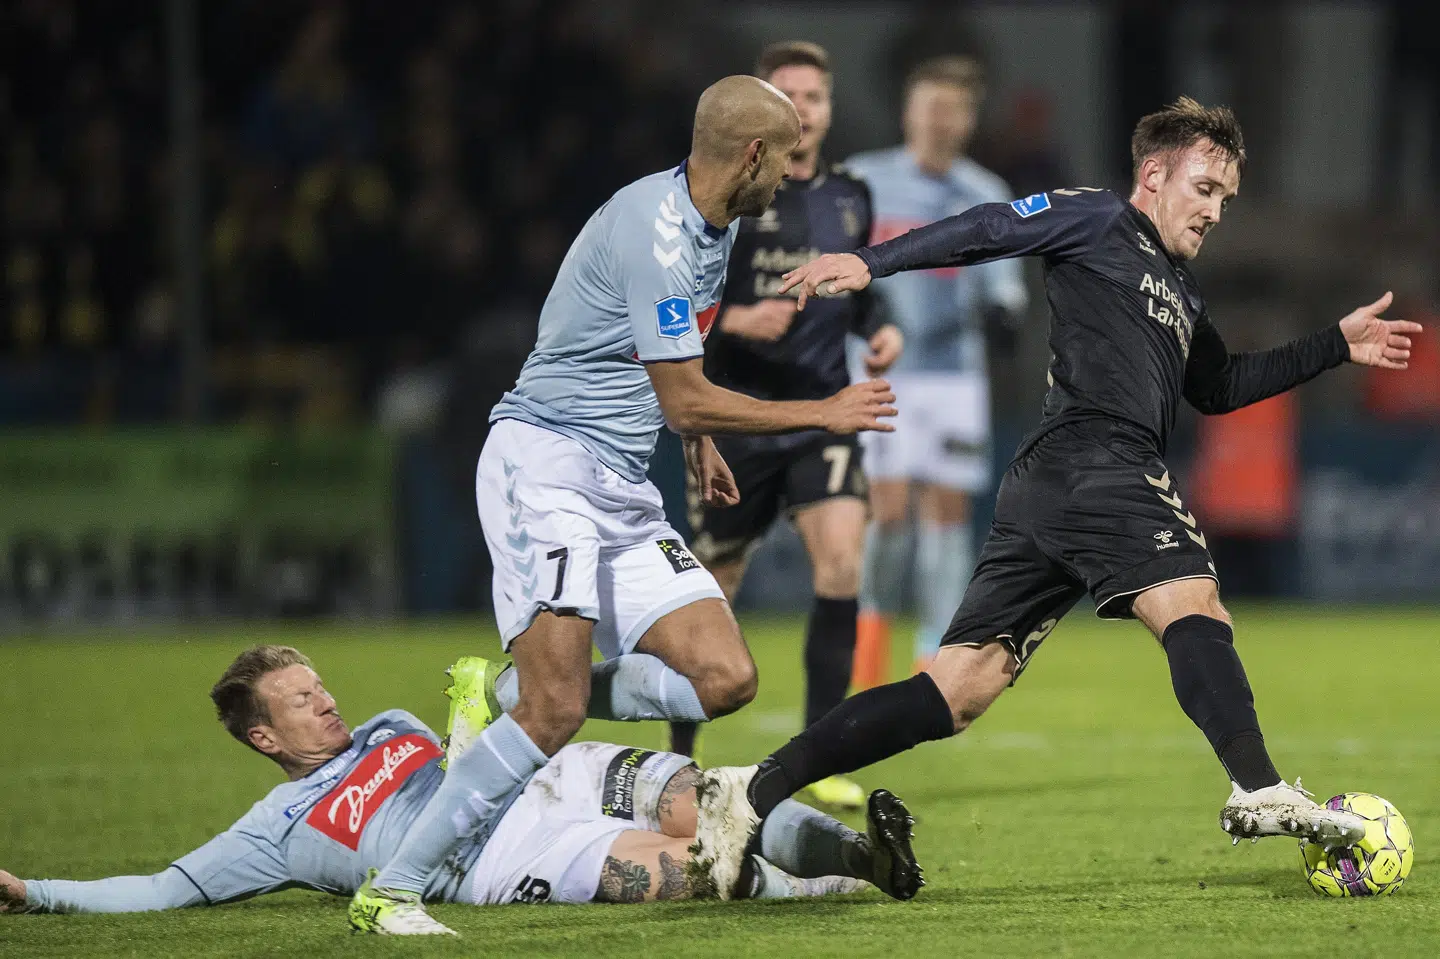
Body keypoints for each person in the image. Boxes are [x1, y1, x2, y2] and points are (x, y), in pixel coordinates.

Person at [687, 97, 1424, 896]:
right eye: (1205, 188)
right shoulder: (1098, 220)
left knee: (957, 687)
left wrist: (1335, 345)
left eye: (1226, 199)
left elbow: (1219, 385)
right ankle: (1257, 781)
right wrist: (875, 262)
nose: (1215, 211)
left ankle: (750, 787)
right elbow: (992, 227)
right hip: (1096, 458)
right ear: (1153, 174)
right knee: (1196, 605)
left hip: (1051, 488)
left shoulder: (1180, 290)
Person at [356, 75, 898, 933]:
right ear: (753, 154)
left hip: (618, 481)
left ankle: (500, 688)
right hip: (547, 467)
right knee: (558, 709)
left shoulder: (710, 223)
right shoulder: (655, 232)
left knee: (724, 680)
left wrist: (694, 437)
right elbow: (684, 392)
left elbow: (659, 365)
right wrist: (822, 411)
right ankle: (392, 887)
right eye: (787, 157)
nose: (794, 175)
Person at [0, 646, 922, 925]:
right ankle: (844, 875)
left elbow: (478, 742)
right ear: (261, 735)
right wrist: (35, 893)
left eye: (320, 685)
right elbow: (161, 887)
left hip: (544, 779)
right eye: (300, 701)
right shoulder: (274, 830)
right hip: (509, 856)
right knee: (683, 864)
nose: (326, 702)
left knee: (714, 794)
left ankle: (867, 857)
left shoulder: (391, 728)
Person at [673, 41, 905, 812]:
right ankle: (678, 758)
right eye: (789, 94)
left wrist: (881, 329)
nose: (804, 108)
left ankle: (819, 751)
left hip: (825, 414)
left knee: (841, 562)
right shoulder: (731, 196)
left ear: (830, 107)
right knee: (712, 594)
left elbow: (863, 292)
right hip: (735, 419)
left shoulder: (851, 196)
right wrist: (739, 319)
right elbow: (682, 309)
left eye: (815, 95)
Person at [845, 56, 1029, 680]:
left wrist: (1007, 311)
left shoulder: (985, 192)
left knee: (947, 512)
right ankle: (867, 648)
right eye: (931, 107)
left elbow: (1003, 280)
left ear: (969, 120)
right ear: (909, 113)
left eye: (953, 110)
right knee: (888, 511)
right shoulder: (865, 182)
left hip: (953, 374)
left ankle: (934, 659)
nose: (940, 122)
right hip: (881, 372)